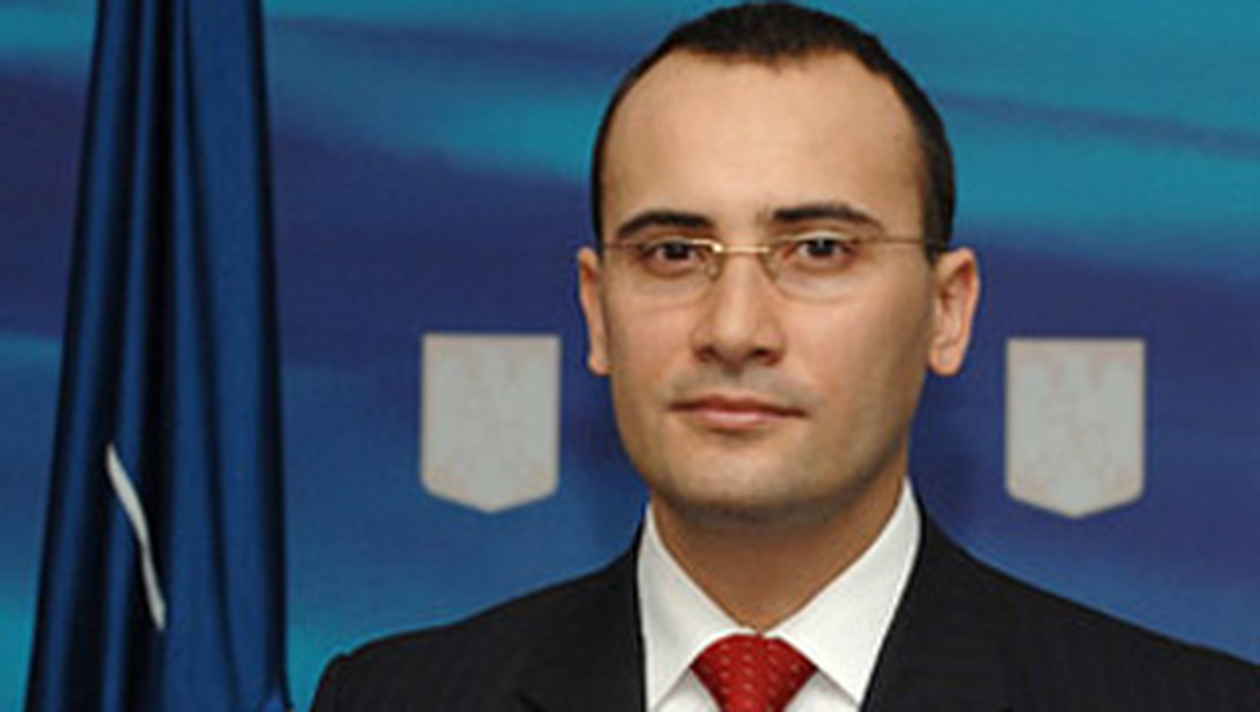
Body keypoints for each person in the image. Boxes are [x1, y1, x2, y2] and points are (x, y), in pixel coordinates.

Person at [312, 3, 1258, 710]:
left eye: (818, 250)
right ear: (597, 311)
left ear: (947, 311)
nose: (734, 328)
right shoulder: (395, 699)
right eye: (673, 253)